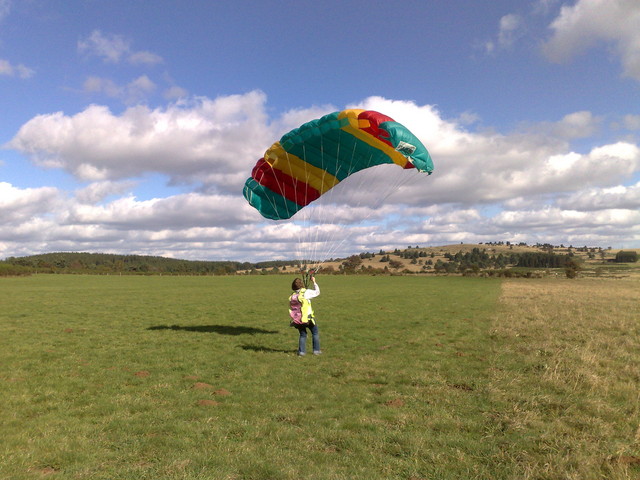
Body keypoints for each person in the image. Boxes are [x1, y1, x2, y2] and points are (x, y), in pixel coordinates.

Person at [289, 275, 321, 356]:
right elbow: (317, 292)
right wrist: (314, 282)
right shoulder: (306, 292)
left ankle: (302, 352)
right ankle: (316, 351)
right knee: (315, 333)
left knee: (303, 335)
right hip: (308, 318)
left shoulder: (293, 295)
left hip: (298, 319)